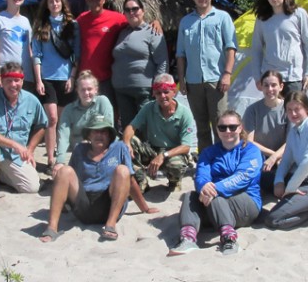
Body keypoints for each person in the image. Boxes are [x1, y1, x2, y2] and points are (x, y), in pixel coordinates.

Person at [39, 114, 157, 242]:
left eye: (103, 132)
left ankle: (110, 225)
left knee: (123, 170)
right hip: (84, 206)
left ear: (110, 135)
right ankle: (52, 227)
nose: (99, 135)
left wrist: (145, 208)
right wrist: (62, 207)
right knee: (64, 171)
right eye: (95, 131)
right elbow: (68, 181)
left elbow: (131, 181)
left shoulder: (119, 147)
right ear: (89, 135)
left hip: (110, 204)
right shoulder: (80, 149)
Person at [168, 110, 262, 256]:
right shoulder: (209, 152)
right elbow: (201, 175)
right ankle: (188, 238)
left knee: (216, 198)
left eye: (232, 127)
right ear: (217, 129)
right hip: (213, 201)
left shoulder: (250, 150)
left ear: (240, 128)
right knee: (189, 197)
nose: (227, 131)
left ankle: (228, 239)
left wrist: (214, 189)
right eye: (222, 127)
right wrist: (203, 187)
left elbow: (243, 177)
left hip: (246, 201)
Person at [76, 0, 161, 111]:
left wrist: (155, 22)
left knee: (108, 115)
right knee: (85, 115)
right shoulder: (81, 19)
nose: (94, 2)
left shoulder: (116, 18)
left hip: (107, 78)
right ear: (86, 1)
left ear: (103, 0)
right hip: (85, 77)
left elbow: (136, 21)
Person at [0, 62, 48, 208]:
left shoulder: (31, 100)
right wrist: (15, 145)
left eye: (17, 80)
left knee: (31, 187)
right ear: (2, 81)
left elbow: (42, 125)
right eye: (8, 81)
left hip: (15, 156)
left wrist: (30, 149)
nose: (13, 85)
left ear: (22, 80)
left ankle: (3, 176)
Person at [176, 0, 237, 151]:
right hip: (193, 81)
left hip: (216, 79)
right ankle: (205, 160)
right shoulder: (186, 22)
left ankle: (223, 159)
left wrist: (227, 73)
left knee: (221, 123)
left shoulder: (222, 17)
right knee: (201, 126)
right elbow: (180, 54)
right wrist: (181, 79)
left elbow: (231, 47)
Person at [264, 91, 308, 229]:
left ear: (306, 109)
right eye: (289, 110)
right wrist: (278, 181)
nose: (293, 114)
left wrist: (291, 188)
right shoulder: (294, 131)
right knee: (264, 178)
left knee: (273, 219)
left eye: (297, 109)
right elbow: (286, 160)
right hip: (303, 179)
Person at [32, 0, 81, 173]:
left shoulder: (72, 25)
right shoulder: (40, 24)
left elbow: (77, 53)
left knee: (63, 121)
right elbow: (36, 54)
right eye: (51, 1)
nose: (54, 4)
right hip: (47, 78)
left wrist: (72, 76)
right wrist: (38, 80)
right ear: (47, 4)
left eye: (57, 1)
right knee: (51, 119)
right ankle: (51, 159)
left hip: (66, 77)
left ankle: (61, 156)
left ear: (62, 3)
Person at [122, 74, 195, 192]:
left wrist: (163, 156)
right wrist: (126, 142)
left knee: (176, 165)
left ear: (174, 92)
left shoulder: (184, 113)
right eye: (158, 93)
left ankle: (174, 181)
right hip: (153, 148)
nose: (163, 96)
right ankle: (141, 180)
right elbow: (131, 127)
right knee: (127, 142)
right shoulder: (148, 107)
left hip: (172, 152)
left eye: (166, 92)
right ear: (154, 94)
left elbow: (186, 146)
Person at [251, 0, 308, 95]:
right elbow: (256, 49)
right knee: (273, 112)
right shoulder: (262, 19)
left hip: (293, 77)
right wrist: (257, 77)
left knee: (295, 112)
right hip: (271, 78)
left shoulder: (298, 14)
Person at [111, 0, 168, 127]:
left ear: (142, 11)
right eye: (128, 10)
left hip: (144, 89)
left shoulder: (153, 31)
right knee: (127, 127)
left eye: (135, 9)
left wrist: (158, 87)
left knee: (145, 126)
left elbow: (162, 61)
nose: (132, 12)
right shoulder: (122, 32)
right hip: (121, 89)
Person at [243, 70, 289, 194]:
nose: (270, 89)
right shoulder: (252, 110)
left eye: (274, 85)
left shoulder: (288, 109)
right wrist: (272, 155)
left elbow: (291, 141)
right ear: (261, 87)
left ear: (281, 86)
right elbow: (249, 141)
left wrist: (276, 157)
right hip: (261, 156)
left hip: (283, 156)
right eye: (266, 85)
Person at [55, 70, 113, 166]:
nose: (86, 93)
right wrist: (60, 161)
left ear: (96, 89)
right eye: (83, 89)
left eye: (89, 89)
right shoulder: (68, 109)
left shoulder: (103, 102)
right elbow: (63, 136)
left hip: (102, 147)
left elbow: (109, 130)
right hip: (79, 151)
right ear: (77, 90)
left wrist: (91, 142)